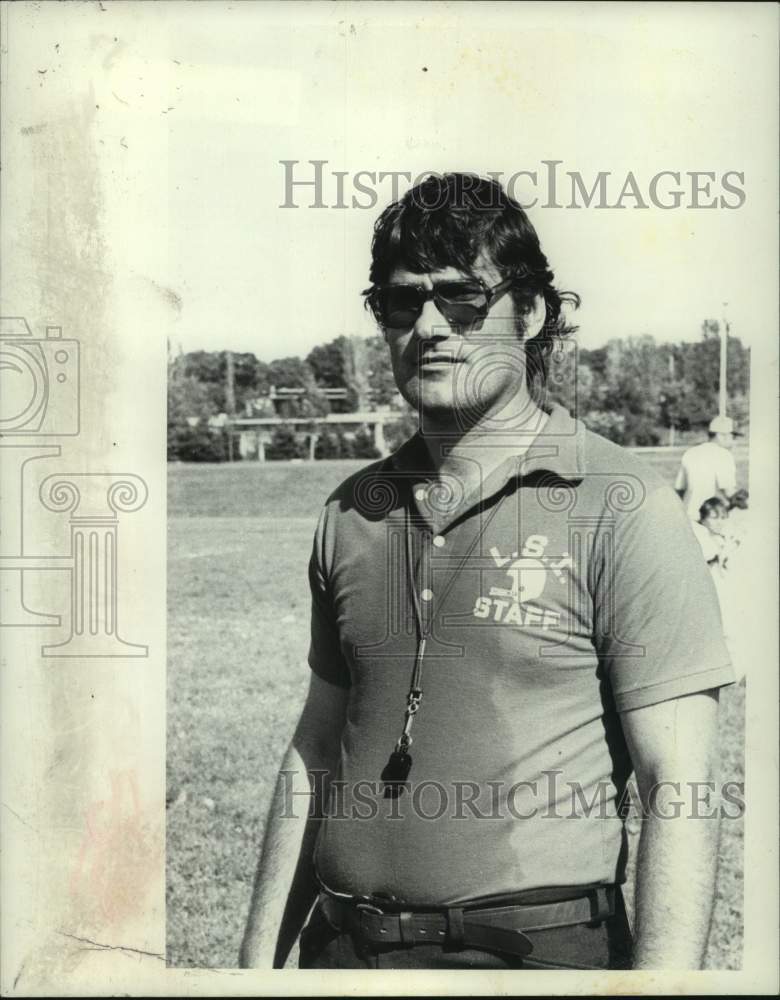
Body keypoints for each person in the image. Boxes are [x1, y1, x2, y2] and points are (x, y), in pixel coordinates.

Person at [240, 173, 735, 971]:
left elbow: (678, 780)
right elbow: (316, 750)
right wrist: (252, 970)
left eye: (463, 299)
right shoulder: (351, 510)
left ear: (531, 312)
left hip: (529, 958)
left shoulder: (623, 503)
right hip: (341, 954)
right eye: (403, 302)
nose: (431, 326)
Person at [675, 415, 740, 521]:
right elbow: (729, 492)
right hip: (710, 517)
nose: (734, 441)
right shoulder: (724, 455)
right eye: (733, 437)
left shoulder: (690, 452)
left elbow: (679, 490)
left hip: (688, 516)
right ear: (720, 436)